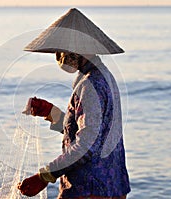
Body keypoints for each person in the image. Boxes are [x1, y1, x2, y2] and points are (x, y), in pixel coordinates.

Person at [17, 8, 131, 199]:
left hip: (91, 189)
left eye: (61, 50)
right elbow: (91, 131)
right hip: (111, 186)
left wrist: (45, 176)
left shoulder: (90, 85)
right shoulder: (101, 75)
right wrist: (50, 112)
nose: (58, 56)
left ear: (79, 50)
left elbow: (86, 146)